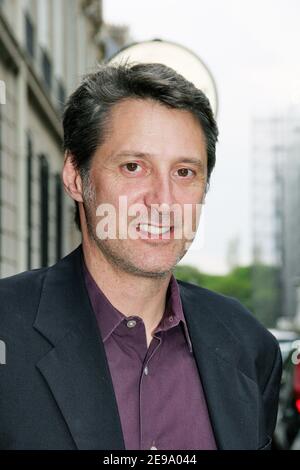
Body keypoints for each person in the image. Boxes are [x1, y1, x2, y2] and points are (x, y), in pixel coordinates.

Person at [0, 63, 281, 450]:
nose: (164, 201)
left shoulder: (250, 348)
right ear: (75, 177)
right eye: (133, 167)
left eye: (184, 172)